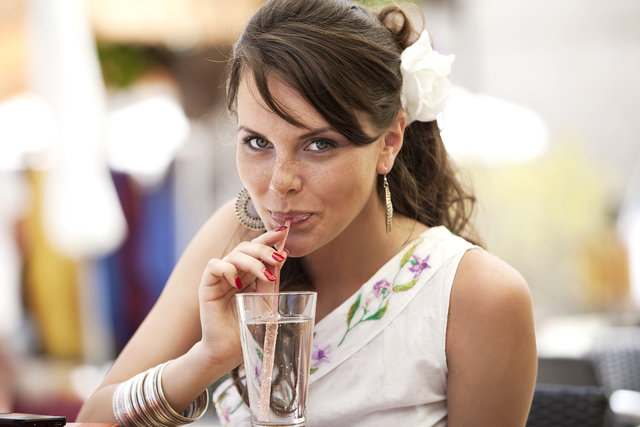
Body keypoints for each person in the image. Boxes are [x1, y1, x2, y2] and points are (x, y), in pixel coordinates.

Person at [77, 0, 537, 425]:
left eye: (319, 145)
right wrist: (208, 358)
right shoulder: (235, 235)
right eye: (257, 142)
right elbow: (92, 419)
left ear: (389, 143)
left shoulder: (475, 296)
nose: (281, 182)